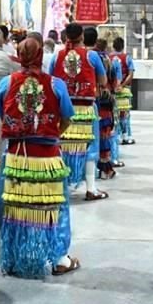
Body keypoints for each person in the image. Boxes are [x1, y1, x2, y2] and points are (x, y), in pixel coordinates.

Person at [0, 37, 80, 277]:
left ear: (19, 55)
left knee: (13, 205)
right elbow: (66, 117)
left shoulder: (7, 82)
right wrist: (51, 134)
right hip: (48, 157)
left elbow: (3, 113)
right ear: (41, 55)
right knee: (55, 205)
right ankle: (60, 259)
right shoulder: (55, 84)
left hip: (16, 156)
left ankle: (12, 258)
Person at [50, 24, 109, 201]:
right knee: (89, 147)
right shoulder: (91, 55)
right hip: (86, 109)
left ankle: (63, 185)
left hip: (63, 109)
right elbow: (103, 80)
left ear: (65, 36)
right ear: (82, 36)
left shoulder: (57, 56)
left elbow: (51, 80)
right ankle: (90, 188)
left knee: (63, 145)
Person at [91, 31, 121, 178]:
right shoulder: (106, 59)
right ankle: (104, 167)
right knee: (104, 134)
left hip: (90, 98)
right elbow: (113, 80)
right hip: (104, 100)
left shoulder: (87, 57)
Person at [110, 36, 136, 145]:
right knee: (124, 114)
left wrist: (114, 85)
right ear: (123, 46)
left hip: (113, 90)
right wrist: (122, 85)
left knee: (114, 114)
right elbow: (131, 75)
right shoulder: (127, 58)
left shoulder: (109, 57)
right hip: (124, 90)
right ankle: (126, 136)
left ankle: (117, 136)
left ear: (113, 46)